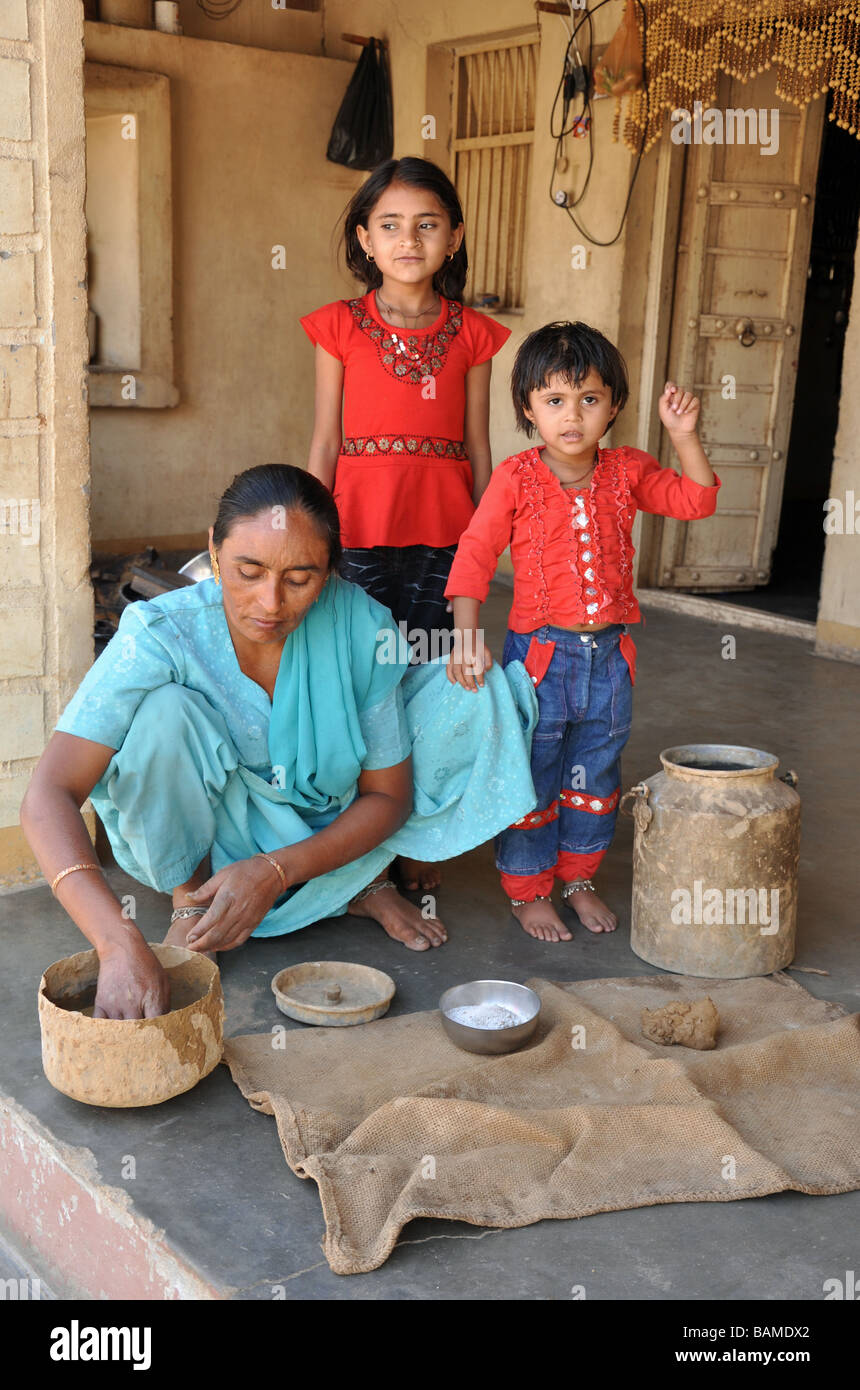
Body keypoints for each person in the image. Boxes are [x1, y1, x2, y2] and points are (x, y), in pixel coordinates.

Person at [20, 466, 537, 1019]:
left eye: (299, 578)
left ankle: (354, 880)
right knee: (162, 715)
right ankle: (193, 899)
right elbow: (49, 792)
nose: (270, 602)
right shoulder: (160, 632)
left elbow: (388, 797)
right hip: (212, 827)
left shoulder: (362, 624)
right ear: (213, 553)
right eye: (248, 571)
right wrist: (116, 941)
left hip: (325, 819)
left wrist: (275, 870)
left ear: (332, 572)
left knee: (478, 695)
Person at [445, 321, 721, 943]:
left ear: (613, 405)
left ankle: (578, 879)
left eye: (589, 399)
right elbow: (474, 556)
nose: (573, 416)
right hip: (541, 658)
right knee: (535, 769)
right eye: (555, 400)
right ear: (528, 408)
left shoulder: (627, 471)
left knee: (596, 768)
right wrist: (466, 635)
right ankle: (529, 889)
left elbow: (696, 501)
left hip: (611, 658)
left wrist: (684, 436)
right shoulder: (516, 478)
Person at [301, 155, 511, 891]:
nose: (408, 240)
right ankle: (356, 846)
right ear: (364, 238)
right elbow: (326, 440)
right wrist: (313, 537)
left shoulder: (474, 335)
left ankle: (421, 837)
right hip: (356, 529)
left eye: (427, 225)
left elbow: (480, 444)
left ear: (453, 238)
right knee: (364, 677)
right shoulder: (339, 326)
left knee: (431, 676)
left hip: (446, 532)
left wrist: (489, 538)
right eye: (389, 225)